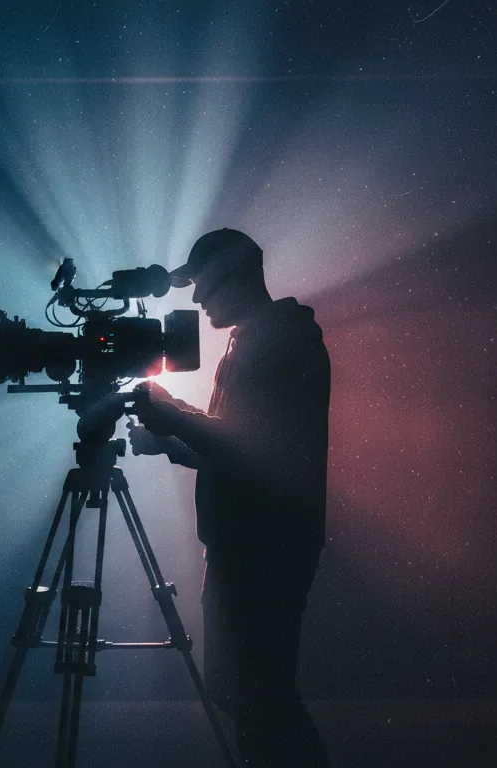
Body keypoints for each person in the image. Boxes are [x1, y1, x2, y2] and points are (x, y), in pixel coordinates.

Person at [130, 228, 331, 766]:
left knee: (260, 697)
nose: (195, 299)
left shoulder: (279, 343)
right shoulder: (263, 339)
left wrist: (173, 415)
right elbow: (238, 449)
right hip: (250, 542)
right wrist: (170, 439)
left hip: (262, 546)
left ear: (232, 277)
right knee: (247, 694)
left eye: (202, 285)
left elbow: (247, 447)